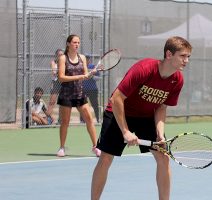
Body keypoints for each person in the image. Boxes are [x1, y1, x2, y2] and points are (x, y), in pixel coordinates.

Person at [91, 36, 192, 200]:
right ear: (168, 54)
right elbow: (116, 98)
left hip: (146, 116)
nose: (186, 60)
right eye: (182, 56)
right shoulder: (144, 68)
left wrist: (160, 133)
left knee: (163, 157)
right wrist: (125, 131)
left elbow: (161, 107)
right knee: (106, 158)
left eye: (188, 57)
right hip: (120, 112)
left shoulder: (177, 80)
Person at [56, 34, 101, 157]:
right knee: (65, 122)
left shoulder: (82, 58)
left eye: (78, 43)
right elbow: (61, 78)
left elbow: (86, 75)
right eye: (74, 42)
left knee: (89, 120)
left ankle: (95, 146)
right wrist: (81, 76)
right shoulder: (63, 58)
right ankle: (61, 148)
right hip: (66, 95)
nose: (77, 45)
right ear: (68, 44)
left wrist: (92, 73)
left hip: (80, 94)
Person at [80, 55, 100, 123]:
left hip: (93, 89)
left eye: (88, 59)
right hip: (83, 89)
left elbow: (98, 78)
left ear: (89, 60)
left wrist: (91, 76)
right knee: (82, 105)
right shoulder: (81, 67)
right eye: (85, 59)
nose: (86, 60)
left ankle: (98, 119)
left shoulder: (93, 67)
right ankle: (82, 120)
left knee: (95, 105)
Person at [48, 49, 64, 123]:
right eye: (59, 55)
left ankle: (60, 119)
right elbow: (54, 72)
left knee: (62, 102)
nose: (61, 56)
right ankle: (48, 119)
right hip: (56, 83)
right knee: (52, 101)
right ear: (56, 56)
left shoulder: (64, 63)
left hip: (63, 83)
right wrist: (60, 70)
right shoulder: (53, 62)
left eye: (62, 55)